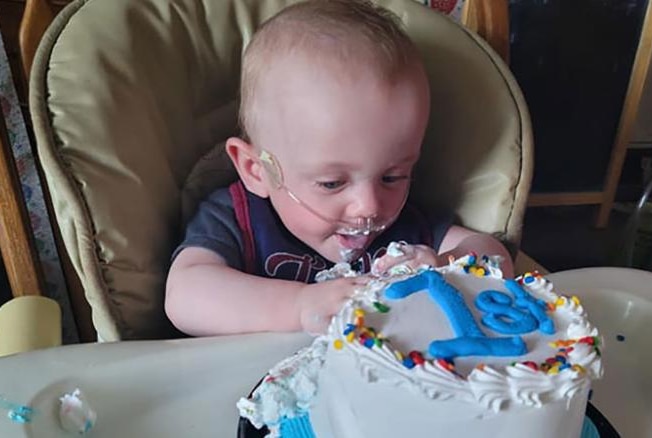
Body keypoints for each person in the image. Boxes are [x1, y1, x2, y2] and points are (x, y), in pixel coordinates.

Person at [165, 0, 513, 337]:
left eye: (392, 176)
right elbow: (184, 296)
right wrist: (298, 306)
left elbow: (494, 255)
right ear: (257, 171)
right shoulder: (236, 219)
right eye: (332, 183)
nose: (370, 206)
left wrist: (445, 266)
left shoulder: (405, 228)